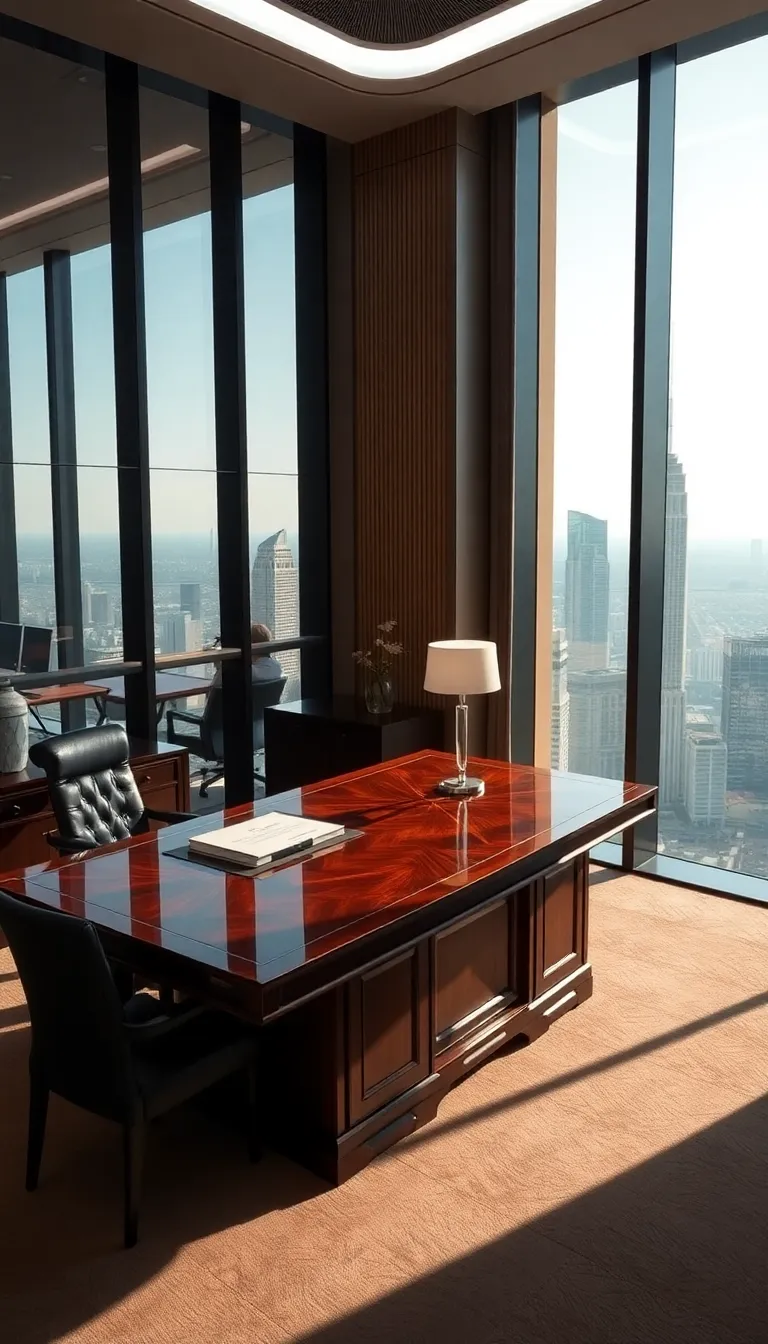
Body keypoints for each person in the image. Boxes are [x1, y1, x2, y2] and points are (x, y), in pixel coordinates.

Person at [209, 622, 283, 691]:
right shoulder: (276, 668)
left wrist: (221, 665)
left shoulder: (240, 672)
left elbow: (213, 690)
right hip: (264, 705)